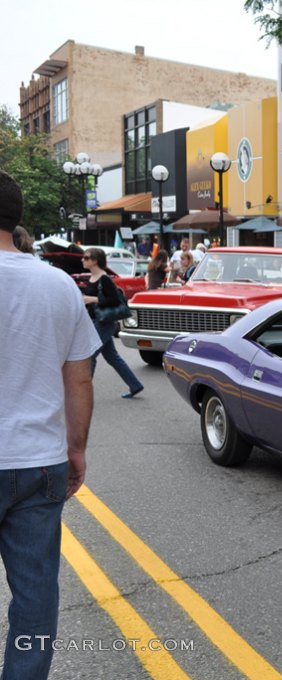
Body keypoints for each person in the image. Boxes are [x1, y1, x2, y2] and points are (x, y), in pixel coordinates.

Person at [0, 171, 100, 677]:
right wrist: (75, 450)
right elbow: (79, 381)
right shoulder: (57, 284)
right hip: (40, 461)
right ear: (16, 217)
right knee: (36, 594)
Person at [81, 248, 145, 399]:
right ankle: (135, 385)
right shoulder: (91, 277)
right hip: (95, 321)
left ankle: (83, 392)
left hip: (104, 322)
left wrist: (92, 299)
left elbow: (114, 300)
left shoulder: (104, 279)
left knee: (90, 355)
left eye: (86, 257)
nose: (83, 260)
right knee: (112, 357)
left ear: (95, 260)